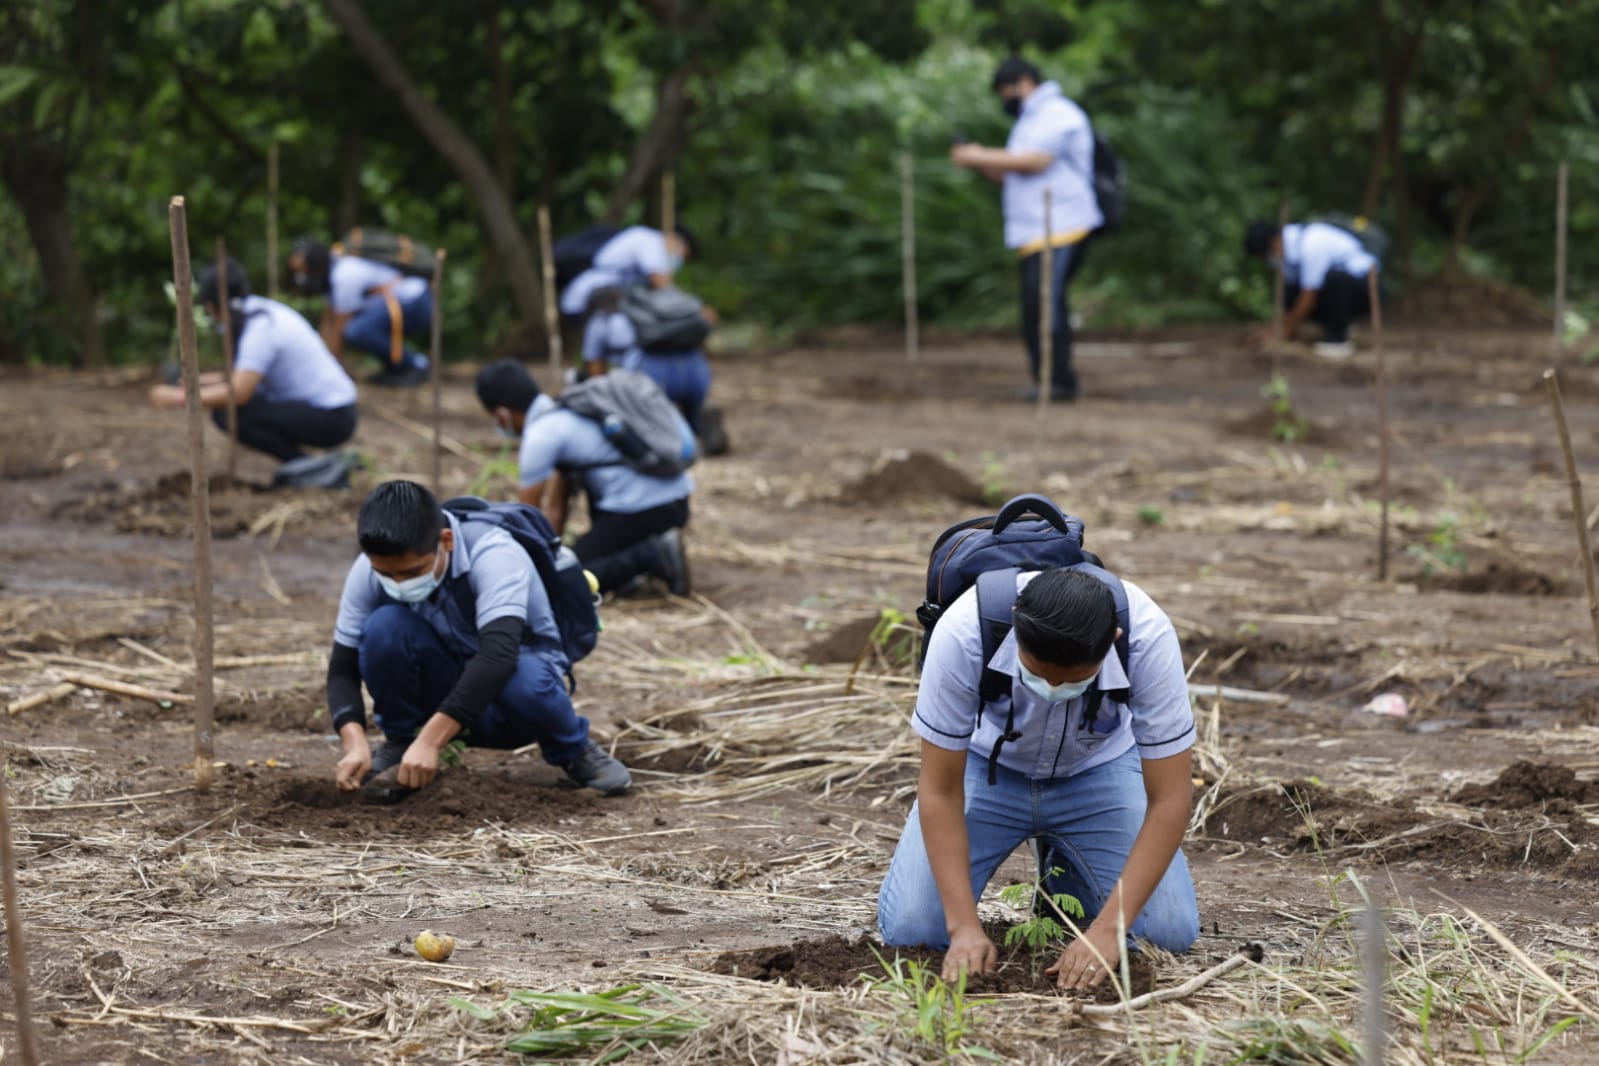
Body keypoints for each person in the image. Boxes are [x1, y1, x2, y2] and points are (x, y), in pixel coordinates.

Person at [877, 567, 1199, 989]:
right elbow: (941, 790)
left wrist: (1109, 929)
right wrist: (963, 928)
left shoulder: (1146, 636)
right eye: (1038, 673)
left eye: (1073, 680)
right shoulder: (964, 632)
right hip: (987, 768)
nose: (1053, 686)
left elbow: (1170, 799)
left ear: (1113, 641)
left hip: (1096, 769)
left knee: (1165, 931)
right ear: (1015, 634)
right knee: (915, 930)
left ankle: (1065, 874)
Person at [327, 479, 631, 798]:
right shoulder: (368, 568)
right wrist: (354, 741)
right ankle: (401, 744)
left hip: (512, 694)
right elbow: (342, 666)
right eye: (386, 575)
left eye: (413, 572)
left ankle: (572, 748)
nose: (398, 583)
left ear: (446, 541)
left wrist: (431, 741)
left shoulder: (494, 553)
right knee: (384, 629)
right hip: (447, 682)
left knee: (527, 680)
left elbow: (498, 656)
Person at [951, 57, 1101, 402]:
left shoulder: (1059, 113)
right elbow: (1011, 171)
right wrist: (979, 162)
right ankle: (1048, 378)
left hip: (1062, 225)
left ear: (1023, 82)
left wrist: (979, 154)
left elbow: (1035, 161)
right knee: (1035, 306)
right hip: (1034, 232)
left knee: (1045, 303)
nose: (1005, 100)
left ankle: (1059, 382)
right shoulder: (1029, 121)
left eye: (1005, 92)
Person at [475, 359, 691, 597]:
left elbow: (525, 519)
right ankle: (630, 573)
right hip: (674, 502)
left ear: (503, 414)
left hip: (643, 509)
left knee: (565, 578)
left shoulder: (541, 436)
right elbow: (556, 511)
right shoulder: (568, 410)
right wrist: (550, 558)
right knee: (566, 564)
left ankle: (655, 555)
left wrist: (525, 574)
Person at [148, 258, 358, 467]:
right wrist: (198, 382)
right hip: (334, 409)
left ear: (211, 307)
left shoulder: (260, 329)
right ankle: (306, 466)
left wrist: (179, 398)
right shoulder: (260, 310)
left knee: (228, 413)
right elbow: (245, 375)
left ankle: (304, 466)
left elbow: (239, 393)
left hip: (332, 417)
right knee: (235, 406)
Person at [288, 237, 432, 386]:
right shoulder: (333, 273)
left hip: (415, 301)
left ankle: (417, 365)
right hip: (402, 303)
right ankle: (395, 368)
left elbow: (338, 327)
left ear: (315, 264)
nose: (302, 277)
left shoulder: (344, 275)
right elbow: (328, 319)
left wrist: (333, 367)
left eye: (304, 271)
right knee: (359, 328)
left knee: (356, 331)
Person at [1244, 219, 1379, 360]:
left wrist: (1284, 333)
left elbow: (1309, 296)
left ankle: (1339, 338)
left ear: (1275, 240)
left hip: (1366, 288)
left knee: (1334, 279)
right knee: (1290, 291)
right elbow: (1289, 299)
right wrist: (1272, 330)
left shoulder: (1312, 243)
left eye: (1267, 253)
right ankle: (1338, 325)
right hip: (1337, 289)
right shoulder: (1286, 256)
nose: (1270, 258)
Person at [581, 296, 713, 438]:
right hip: (696, 372)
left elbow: (595, 368)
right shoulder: (663, 309)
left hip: (652, 378)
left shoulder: (601, 321)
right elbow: (709, 319)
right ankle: (698, 431)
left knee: (653, 430)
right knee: (692, 422)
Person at [558, 225, 703, 318]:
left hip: (592, 300)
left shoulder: (649, 242)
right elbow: (662, 285)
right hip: (590, 299)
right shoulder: (651, 242)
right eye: (682, 255)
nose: (680, 260)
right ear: (676, 241)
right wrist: (696, 309)